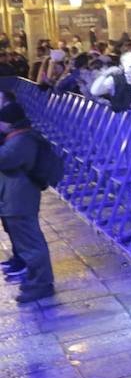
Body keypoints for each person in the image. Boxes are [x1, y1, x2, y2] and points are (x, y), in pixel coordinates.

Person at [0, 100, 55, 303]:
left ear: (8, 123)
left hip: (19, 201)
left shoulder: (22, 141)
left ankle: (41, 284)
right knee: (27, 245)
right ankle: (35, 280)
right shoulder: (18, 137)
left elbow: (4, 159)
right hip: (14, 200)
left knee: (31, 246)